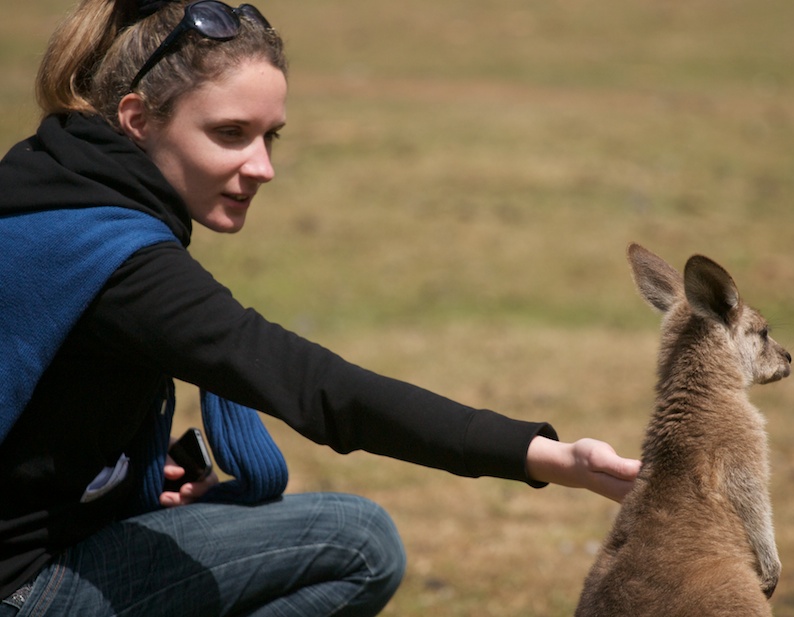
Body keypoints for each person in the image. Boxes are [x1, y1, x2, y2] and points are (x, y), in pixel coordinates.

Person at [0, 0, 641, 615]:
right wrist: (549, 457)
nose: (262, 167)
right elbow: (317, 388)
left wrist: (122, 469)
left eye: (269, 136)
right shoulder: (119, 263)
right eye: (230, 134)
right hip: (19, 590)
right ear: (138, 119)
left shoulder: (39, 190)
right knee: (355, 542)